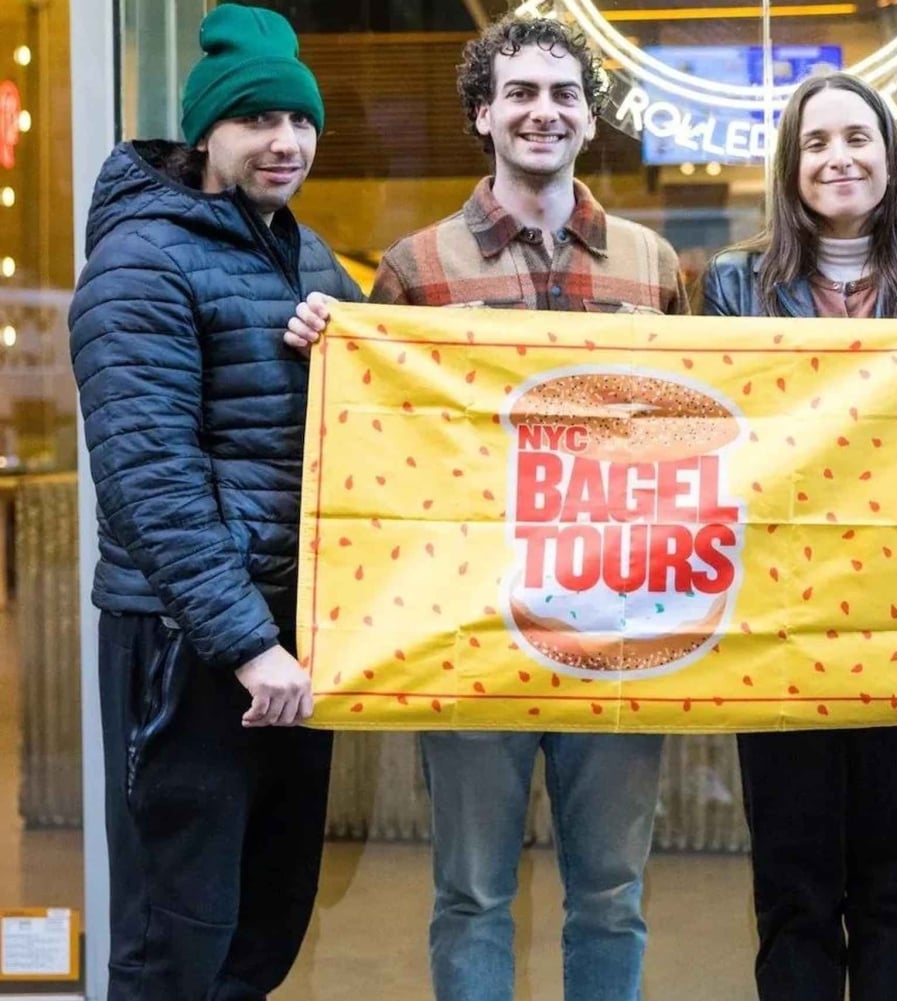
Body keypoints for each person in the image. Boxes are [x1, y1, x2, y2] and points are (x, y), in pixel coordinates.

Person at [286, 16, 683, 1001]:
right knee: (469, 893)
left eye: (562, 94)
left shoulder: (655, 267)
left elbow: (692, 445)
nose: (541, 111)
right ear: (482, 112)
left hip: (617, 627)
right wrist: (331, 343)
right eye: (519, 92)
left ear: (589, 118)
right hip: (466, 628)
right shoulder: (416, 270)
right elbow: (379, 443)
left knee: (614, 893)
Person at [68, 5, 360, 999]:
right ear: (205, 134)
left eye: (302, 121)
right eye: (257, 120)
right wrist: (246, 642)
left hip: (288, 635)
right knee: (175, 932)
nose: (287, 142)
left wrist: (349, 339)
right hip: (189, 643)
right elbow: (149, 476)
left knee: (265, 919)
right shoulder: (141, 260)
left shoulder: (308, 257)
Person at [698, 71, 897, 1001]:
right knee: (790, 886)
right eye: (817, 142)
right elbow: (716, 452)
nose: (839, 159)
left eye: (857, 139)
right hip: (775, 624)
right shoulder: (733, 284)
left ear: (890, 157)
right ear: (790, 165)